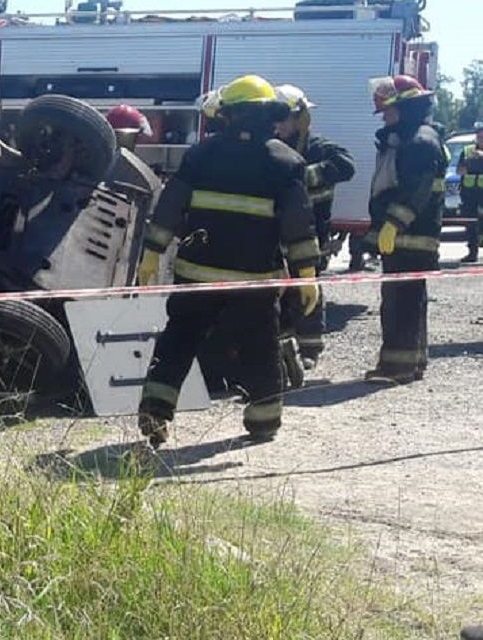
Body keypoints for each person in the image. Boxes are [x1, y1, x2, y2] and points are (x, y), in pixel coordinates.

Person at [135, 74, 320, 445]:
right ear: (271, 115)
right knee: (260, 347)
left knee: (178, 340)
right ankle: (263, 421)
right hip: (254, 279)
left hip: (195, 273)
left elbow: (170, 207)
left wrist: (151, 254)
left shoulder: (200, 155)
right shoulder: (286, 162)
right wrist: (306, 273)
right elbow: (297, 225)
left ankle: (155, 411)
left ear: (228, 114)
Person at [363, 74, 446, 384]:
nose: (385, 116)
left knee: (402, 303)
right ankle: (410, 363)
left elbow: (417, 189)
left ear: (406, 108)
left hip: (409, 236)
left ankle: (398, 367)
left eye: (389, 110)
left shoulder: (420, 141)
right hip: (406, 235)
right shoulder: (411, 137)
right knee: (408, 300)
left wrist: (393, 224)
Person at [274, 85, 355, 367]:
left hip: (310, 235)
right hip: (277, 235)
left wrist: (303, 175)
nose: (278, 125)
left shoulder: (319, 147)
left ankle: (309, 351)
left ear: (300, 118)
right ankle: (283, 350)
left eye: (283, 118)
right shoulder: (273, 147)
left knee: (308, 294)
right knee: (280, 296)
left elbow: (346, 166)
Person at [457, 125, 483, 263]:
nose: (481, 139)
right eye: (479, 136)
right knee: (471, 223)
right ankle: (472, 252)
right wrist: (469, 162)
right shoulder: (467, 151)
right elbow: (459, 171)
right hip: (470, 193)